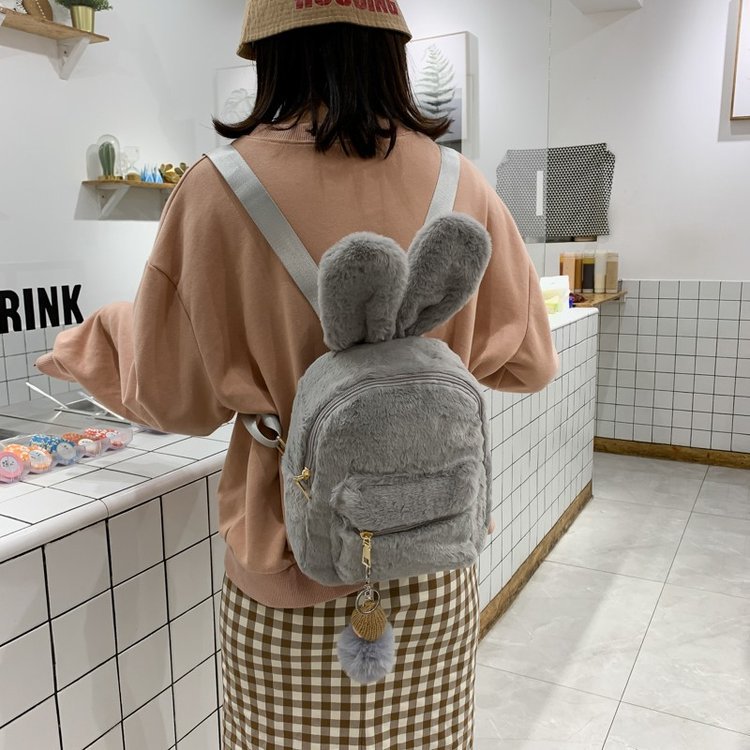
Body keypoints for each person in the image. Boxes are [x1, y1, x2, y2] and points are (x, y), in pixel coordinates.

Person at [36, 1, 558, 747]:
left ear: (269, 49)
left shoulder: (217, 191)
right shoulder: (462, 184)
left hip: (286, 571)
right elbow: (530, 363)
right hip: (433, 564)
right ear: (392, 45)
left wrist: (95, 341)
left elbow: (172, 396)